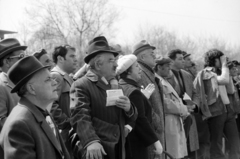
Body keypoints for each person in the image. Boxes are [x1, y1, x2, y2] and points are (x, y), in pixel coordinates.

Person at [70, 39, 137, 159]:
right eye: (111, 61)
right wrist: (91, 141)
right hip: (98, 152)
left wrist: (129, 108)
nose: (116, 64)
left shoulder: (116, 85)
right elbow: (80, 116)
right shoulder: (81, 85)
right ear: (98, 64)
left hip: (118, 150)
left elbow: (132, 116)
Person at [0, 56, 70, 159]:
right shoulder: (20, 124)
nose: (55, 83)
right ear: (31, 88)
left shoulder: (41, 110)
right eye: (48, 80)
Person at [194, 49, 240, 159]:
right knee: (216, 145)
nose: (224, 62)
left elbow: (230, 91)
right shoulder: (206, 72)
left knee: (235, 144)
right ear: (215, 60)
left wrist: (226, 70)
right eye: (222, 59)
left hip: (228, 110)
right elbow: (223, 81)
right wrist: (224, 66)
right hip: (215, 111)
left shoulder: (220, 72)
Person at [117, 54, 163, 159]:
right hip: (136, 144)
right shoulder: (134, 91)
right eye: (136, 66)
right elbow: (141, 119)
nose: (140, 69)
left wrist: (143, 98)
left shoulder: (121, 86)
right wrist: (155, 141)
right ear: (128, 71)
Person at [132, 40, 165, 159]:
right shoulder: (139, 73)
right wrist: (157, 123)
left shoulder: (149, 73)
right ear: (142, 56)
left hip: (155, 130)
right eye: (151, 53)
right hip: (151, 131)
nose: (155, 55)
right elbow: (143, 106)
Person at [166, 49, 200, 159]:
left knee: (190, 147)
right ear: (171, 60)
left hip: (189, 114)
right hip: (175, 116)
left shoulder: (187, 75)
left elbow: (195, 93)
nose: (183, 61)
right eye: (180, 59)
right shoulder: (165, 74)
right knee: (178, 149)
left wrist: (194, 105)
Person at [154, 57, 189, 159]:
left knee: (175, 153)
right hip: (168, 121)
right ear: (159, 67)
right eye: (167, 66)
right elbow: (163, 102)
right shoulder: (156, 80)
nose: (170, 69)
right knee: (171, 154)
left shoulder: (164, 80)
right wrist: (183, 109)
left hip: (174, 121)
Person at [50, 45, 77, 157]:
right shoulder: (56, 76)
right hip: (65, 133)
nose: (75, 59)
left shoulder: (66, 76)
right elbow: (51, 104)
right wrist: (67, 123)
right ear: (60, 59)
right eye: (71, 56)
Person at [0, 38, 26, 132]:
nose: (25, 61)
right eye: (21, 57)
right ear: (7, 62)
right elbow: (1, 122)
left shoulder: (24, 81)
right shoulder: (1, 86)